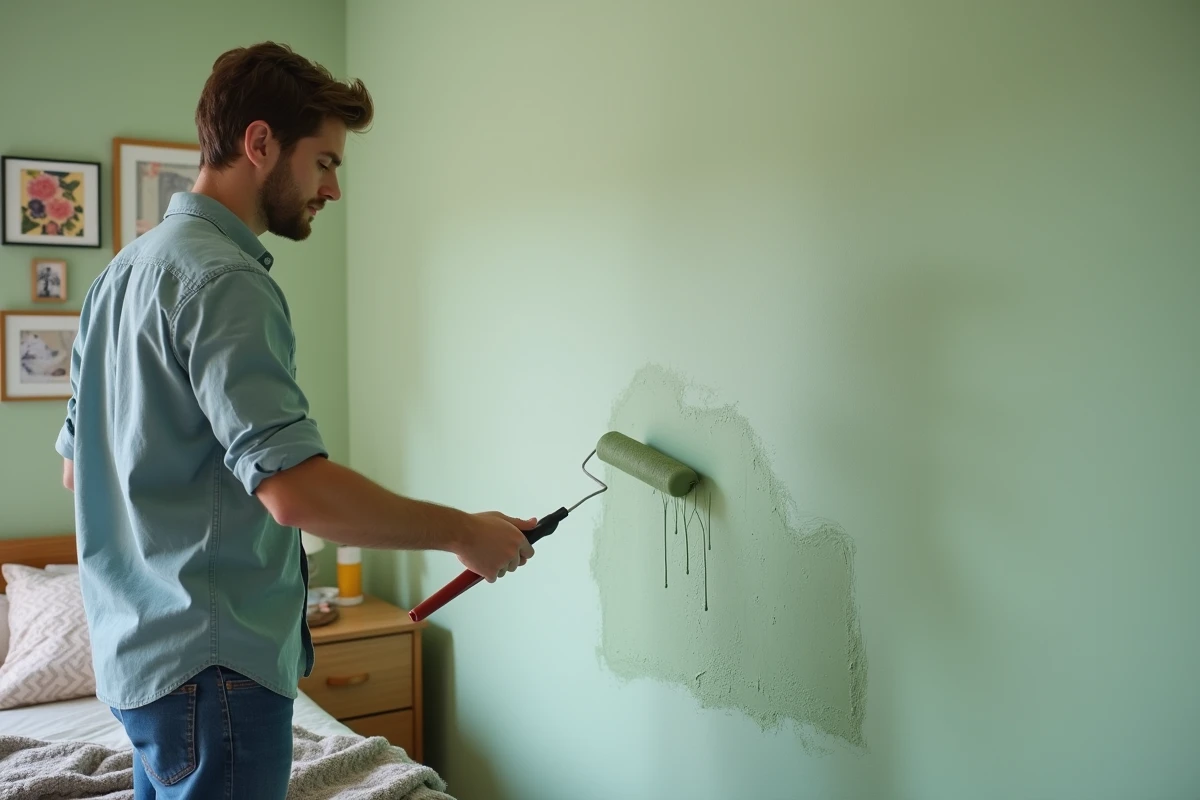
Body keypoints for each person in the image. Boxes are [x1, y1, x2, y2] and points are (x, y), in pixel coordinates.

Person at [55, 41, 536, 800]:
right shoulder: (225, 279)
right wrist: (462, 533)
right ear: (260, 143)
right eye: (325, 162)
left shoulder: (118, 277)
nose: (333, 189)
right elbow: (294, 492)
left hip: (136, 665)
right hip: (213, 671)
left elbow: (76, 470)